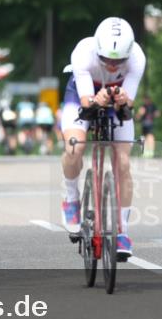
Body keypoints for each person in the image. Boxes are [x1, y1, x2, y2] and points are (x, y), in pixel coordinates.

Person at [60, 17, 145, 260]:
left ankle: (122, 232)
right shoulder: (83, 52)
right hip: (81, 95)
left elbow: (128, 104)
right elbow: (87, 103)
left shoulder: (137, 57)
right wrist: (96, 100)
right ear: (97, 50)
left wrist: (122, 100)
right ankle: (71, 199)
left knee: (124, 164)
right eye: (106, 59)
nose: (111, 65)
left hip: (114, 103)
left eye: (118, 61)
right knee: (74, 148)